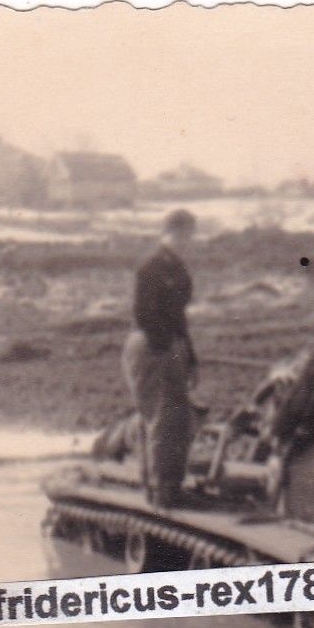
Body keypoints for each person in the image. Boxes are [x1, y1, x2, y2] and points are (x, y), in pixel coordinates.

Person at [122, 209, 199, 508]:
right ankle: (160, 488)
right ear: (171, 232)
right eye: (184, 234)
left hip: (170, 344)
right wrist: (165, 348)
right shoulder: (151, 265)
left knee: (178, 416)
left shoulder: (176, 267)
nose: (187, 241)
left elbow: (179, 316)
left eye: (189, 235)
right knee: (162, 415)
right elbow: (143, 314)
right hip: (150, 345)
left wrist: (190, 358)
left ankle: (167, 484)